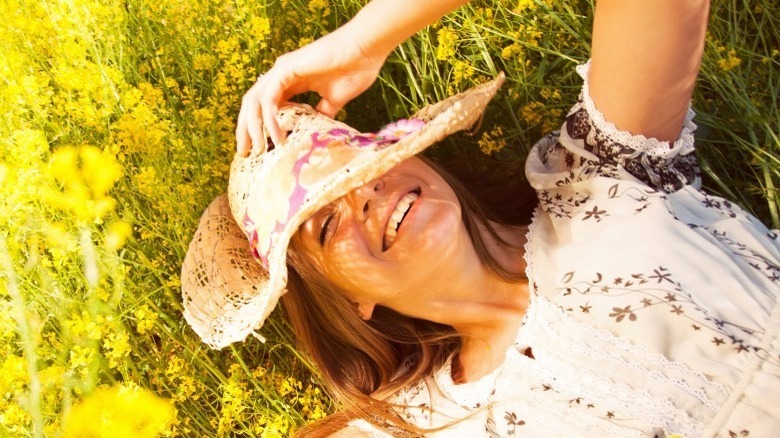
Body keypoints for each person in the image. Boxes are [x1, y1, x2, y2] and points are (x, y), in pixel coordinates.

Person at [182, 0, 780, 436]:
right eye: (325, 224)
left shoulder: (596, 176)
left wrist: (365, 39)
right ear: (346, 301)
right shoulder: (415, 428)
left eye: (362, 165)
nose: (363, 196)